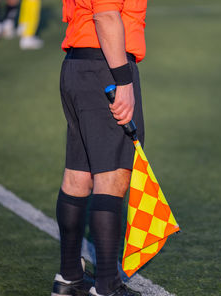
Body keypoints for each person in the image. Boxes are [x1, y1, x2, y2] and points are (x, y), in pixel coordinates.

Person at [52, 1, 147, 295]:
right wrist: (123, 80)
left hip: (78, 64)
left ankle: (69, 278)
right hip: (104, 67)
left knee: (78, 174)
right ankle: (107, 285)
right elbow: (106, 14)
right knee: (113, 173)